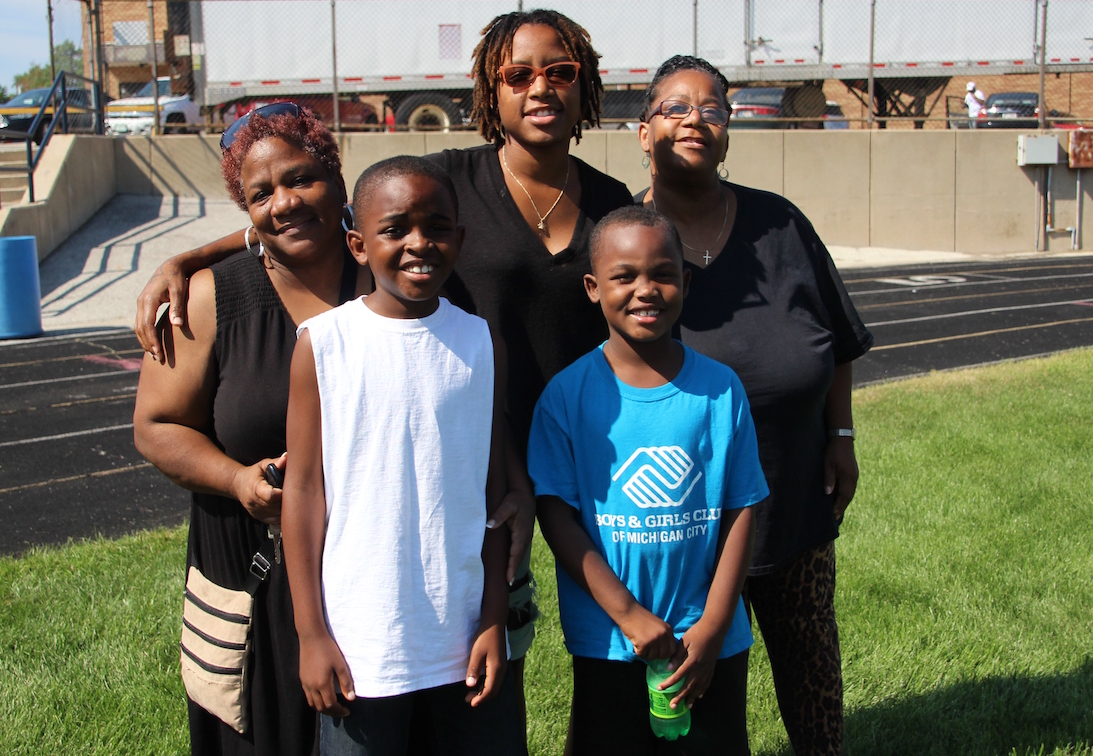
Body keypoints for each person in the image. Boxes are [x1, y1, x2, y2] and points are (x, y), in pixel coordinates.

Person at [131, 9, 636, 731]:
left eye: (559, 71)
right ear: (489, 92)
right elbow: (328, 210)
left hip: (509, 493)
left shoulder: (608, 205)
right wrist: (195, 255)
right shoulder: (447, 180)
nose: (540, 87)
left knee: (493, 697)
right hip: (355, 523)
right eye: (517, 73)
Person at [637, 55, 873, 756]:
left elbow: (837, 339)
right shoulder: (631, 239)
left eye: (712, 109)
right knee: (693, 694)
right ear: (643, 128)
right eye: (676, 108)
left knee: (813, 688)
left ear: (729, 130)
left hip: (793, 499)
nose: (695, 121)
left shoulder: (781, 225)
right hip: (685, 522)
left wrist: (841, 432)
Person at [133, 102, 361, 756]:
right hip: (251, 576)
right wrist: (237, 479)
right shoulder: (207, 298)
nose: (284, 202)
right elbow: (156, 426)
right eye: (260, 194)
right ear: (245, 210)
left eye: (300, 179)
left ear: (337, 178)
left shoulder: (384, 275)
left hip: (366, 572)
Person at [282, 156, 525, 756]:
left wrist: (494, 616)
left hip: (465, 635)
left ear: (459, 239)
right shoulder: (323, 345)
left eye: (437, 226)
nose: (420, 243)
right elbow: (303, 494)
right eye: (395, 229)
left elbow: (495, 498)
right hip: (363, 643)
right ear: (358, 245)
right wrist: (311, 634)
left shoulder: (478, 340)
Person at [530, 206, 769, 756]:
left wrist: (713, 625)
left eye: (662, 274)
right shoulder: (566, 397)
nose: (646, 290)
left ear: (685, 282)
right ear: (593, 287)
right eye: (624, 276)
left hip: (707, 639)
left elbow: (741, 507)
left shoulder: (720, 389)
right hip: (612, 640)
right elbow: (556, 515)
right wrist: (630, 616)